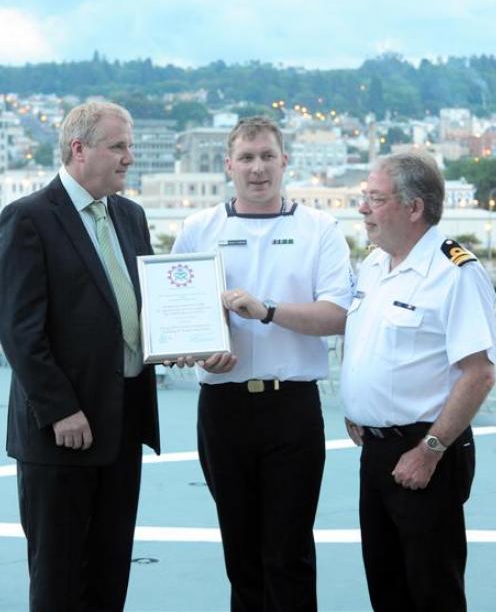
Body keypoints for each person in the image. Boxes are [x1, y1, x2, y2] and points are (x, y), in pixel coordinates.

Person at [171, 116, 353, 612]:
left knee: (289, 552)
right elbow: (174, 320)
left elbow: (337, 314)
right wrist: (200, 347)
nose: (257, 169)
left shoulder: (320, 229)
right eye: (247, 158)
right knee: (241, 555)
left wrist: (268, 310)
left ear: (285, 161)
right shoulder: (197, 229)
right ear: (228, 165)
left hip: (290, 408)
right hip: (223, 408)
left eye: (267, 156)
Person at [0, 102, 160, 612]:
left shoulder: (131, 216)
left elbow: (147, 306)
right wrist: (59, 408)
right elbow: (19, 329)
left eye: (130, 146)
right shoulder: (27, 219)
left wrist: (178, 342)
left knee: (110, 572)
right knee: (59, 578)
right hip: (61, 433)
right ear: (78, 150)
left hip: (124, 422)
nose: (129, 158)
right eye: (119, 147)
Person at [340, 151, 496, 612]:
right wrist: (357, 407)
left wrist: (429, 450)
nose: (363, 208)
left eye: (375, 199)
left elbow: (480, 372)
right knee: (386, 587)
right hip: (377, 451)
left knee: (432, 591)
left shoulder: (455, 272)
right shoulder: (373, 265)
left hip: (426, 452)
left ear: (414, 208)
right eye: (364, 197)